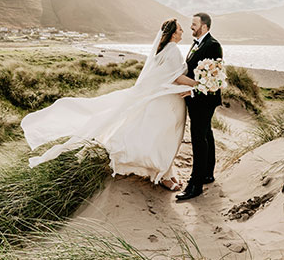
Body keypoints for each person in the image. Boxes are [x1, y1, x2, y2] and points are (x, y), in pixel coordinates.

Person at [20, 18, 197, 190]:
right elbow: (176, 77)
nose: (182, 31)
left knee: (161, 136)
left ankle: (167, 172)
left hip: (164, 98)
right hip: (166, 102)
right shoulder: (173, 50)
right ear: (173, 34)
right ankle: (163, 176)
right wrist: (200, 84)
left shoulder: (164, 49)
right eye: (180, 29)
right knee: (165, 137)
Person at [176, 12, 223, 201]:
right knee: (206, 134)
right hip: (197, 100)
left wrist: (192, 91)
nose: (191, 27)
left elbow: (213, 81)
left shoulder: (213, 46)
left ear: (204, 26)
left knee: (198, 138)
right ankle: (207, 174)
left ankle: (195, 185)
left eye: (194, 24)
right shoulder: (197, 45)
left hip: (204, 100)